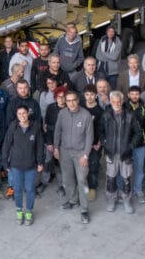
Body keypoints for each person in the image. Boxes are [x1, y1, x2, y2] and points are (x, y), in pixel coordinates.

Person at [54, 91, 95, 223]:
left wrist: (85, 155)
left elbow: (90, 137)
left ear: (78, 100)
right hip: (65, 152)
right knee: (67, 179)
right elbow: (58, 130)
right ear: (65, 102)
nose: (71, 103)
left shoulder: (86, 115)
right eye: (68, 100)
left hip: (80, 154)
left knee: (82, 180)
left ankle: (84, 209)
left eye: (73, 100)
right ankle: (73, 201)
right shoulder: (62, 114)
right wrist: (56, 147)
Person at [3, 105, 45, 225]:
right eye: (19, 114)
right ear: (17, 115)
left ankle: (29, 211)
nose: (22, 116)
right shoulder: (13, 127)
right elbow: (6, 145)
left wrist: (40, 162)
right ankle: (19, 211)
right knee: (17, 190)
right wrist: (5, 162)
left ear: (28, 114)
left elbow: (39, 146)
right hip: (16, 165)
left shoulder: (35, 128)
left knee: (30, 189)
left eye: (24, 113)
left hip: (31, 166)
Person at [101, 91, 143, 213]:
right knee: (111, 178)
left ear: (122, 101)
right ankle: (112, 199)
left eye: (119, 101)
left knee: (126, 179)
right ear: (110, 102)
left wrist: (130, 146)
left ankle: (126, 201)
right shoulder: (106, 115)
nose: (116, 104)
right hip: (111, 153)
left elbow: (138, 133)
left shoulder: (130, 116)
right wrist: (105, 143)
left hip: (125, 154)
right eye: (113, 101)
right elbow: (100, 130)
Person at [41, 86, 68, 194]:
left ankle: (62, 185)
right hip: (51, 139)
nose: (61, 99)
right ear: (55, 98)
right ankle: (44, 181)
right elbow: (47, 127)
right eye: (59, 97)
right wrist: (49, 143)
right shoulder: (51, 108)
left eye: (63, 97)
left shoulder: (69, 108)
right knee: (47, 161)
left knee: (62, 164)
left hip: (64, 142)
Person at [125, 86, 145, 203]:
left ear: (140, 95)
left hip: (140, 144)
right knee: (125, 169)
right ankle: (125, 190)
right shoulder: (123, 107)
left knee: (139, 169)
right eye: (132, 94)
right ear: (128, 95)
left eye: (137, 94)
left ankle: (138, 189)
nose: (134, 96)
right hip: (126, 144)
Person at [81, 84, 105, 199]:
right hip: (81, 143)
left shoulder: (100, 111)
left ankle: (92, 188)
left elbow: (103, 128)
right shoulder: (80, 108)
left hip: (95, 144)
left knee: (93, 166)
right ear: (84, 95)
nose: (89, 97)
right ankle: (82, 186)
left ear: (96, 96)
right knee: (83, 166)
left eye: (92, 95)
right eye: (87, 94)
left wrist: (99, 142)